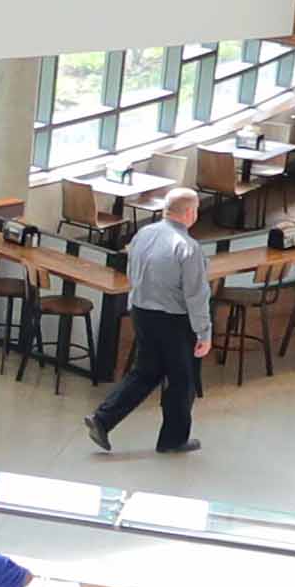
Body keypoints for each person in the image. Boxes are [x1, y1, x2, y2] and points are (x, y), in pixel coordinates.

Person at [87, 188, 211, 457]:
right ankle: (173, 440)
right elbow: (196, 294)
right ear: (190, 213)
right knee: (182, 379)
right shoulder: (188, 247)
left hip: (141, 311)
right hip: (174, 320)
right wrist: (204, 332)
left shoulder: (143, 234)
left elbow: (132, 271)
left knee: (146, 372)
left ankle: (103, 419)